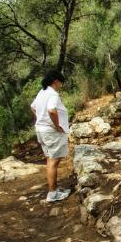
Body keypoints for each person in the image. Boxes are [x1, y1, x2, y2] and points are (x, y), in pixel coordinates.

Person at [31, 70, 71, 203]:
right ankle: (53, 193)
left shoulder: (42, 92)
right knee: (54, 162)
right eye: (60, 82)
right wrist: (57, 125)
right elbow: (52, 110)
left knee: (49, 160)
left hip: (41, 130)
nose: (61, 85)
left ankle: (53, 188)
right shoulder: (52, 94)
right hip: (51, 132)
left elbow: (33, 107)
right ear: (55, 81)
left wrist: (41, 119)